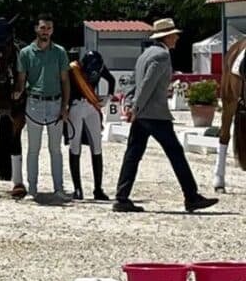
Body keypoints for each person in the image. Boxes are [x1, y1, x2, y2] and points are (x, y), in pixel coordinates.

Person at [112, 18, 218, 213]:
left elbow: (134, 82)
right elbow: (147, 84)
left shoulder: (145, 55)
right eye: (174, 35)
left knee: (133, 154)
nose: (177, 38)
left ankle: (122, 196)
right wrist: (135, 107)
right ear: (167, 36)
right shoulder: (162, 56)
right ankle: (191, 196)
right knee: (176, 154)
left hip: (142, 114)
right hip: (155, 115)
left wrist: (130, 104)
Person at [13, 14, 71, 205]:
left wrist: (65, 106)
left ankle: (59, 188)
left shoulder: (60, 52)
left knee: (56, 149)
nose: (46, 31)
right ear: (36, 29)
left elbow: (65, 80)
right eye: (43, 28)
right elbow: (22, 80)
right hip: (34, 103)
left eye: (49, 28)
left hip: (55, 102)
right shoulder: (26, 53)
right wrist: (17, 93)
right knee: (33, 149)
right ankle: (32, 189)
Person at [65, 50, 115, 200]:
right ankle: (77, 188)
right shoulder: (74, 69)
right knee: (75, 146)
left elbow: (111, 80)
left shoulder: (99, 67)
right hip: (75, 106)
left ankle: (98, 188)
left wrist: (108, 98)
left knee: (97, 145)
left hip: (91, 106)